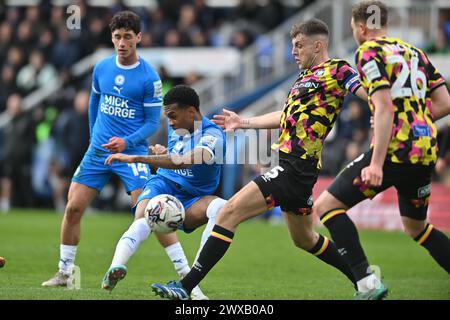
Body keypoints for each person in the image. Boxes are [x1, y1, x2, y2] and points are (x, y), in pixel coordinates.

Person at [151, 18, 368, 300]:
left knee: (229, 212)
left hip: (293, 168)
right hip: (297, 172)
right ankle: (365, 283)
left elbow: (366, 92)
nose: (294, 51)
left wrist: (382, 105)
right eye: (293, 46)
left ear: (318, 45)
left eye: (299, 45)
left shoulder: (338, 70)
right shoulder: (304, 78)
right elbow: (285, 116)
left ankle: (186, 286)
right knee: (304, 239)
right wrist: (244, 122)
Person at [42, 11, 200, 295]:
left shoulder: (148, 78)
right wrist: (94, 137)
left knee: (153, 212)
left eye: (128, 37)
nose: (122, 42)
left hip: (132, 155)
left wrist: (126, 144)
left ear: (138, 37)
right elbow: (94, 101)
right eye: (117, 37)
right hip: (98, 152)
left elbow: (153, 123)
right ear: (112, 38)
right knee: (73, 207)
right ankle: (65, 272)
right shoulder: (102, 67)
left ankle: (187, 277)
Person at [313, 0, 450, 300]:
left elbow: (384, 105)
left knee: (326, 206)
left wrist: (375, 163)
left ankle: (365, 283)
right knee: (417, 228)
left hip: (394, 151)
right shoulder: (416, 53)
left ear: (362, 28)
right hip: (425, 150)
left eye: (353, 29)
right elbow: (444, 103)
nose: (354, 35)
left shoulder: (368, 52)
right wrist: (415, 119)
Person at [101, 85, 226, 300]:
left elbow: (184, 161)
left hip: (193, 197)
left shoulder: (213, 135)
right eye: (167, 117)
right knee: (144, 215)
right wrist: (165, 154)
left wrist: (136, 157)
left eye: (173, 116)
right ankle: (115, 268)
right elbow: (177, 158)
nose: (169, 122)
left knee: (221, 208)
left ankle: (192, 278)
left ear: (191, 112)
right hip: (164, 184)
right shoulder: (177, 127)